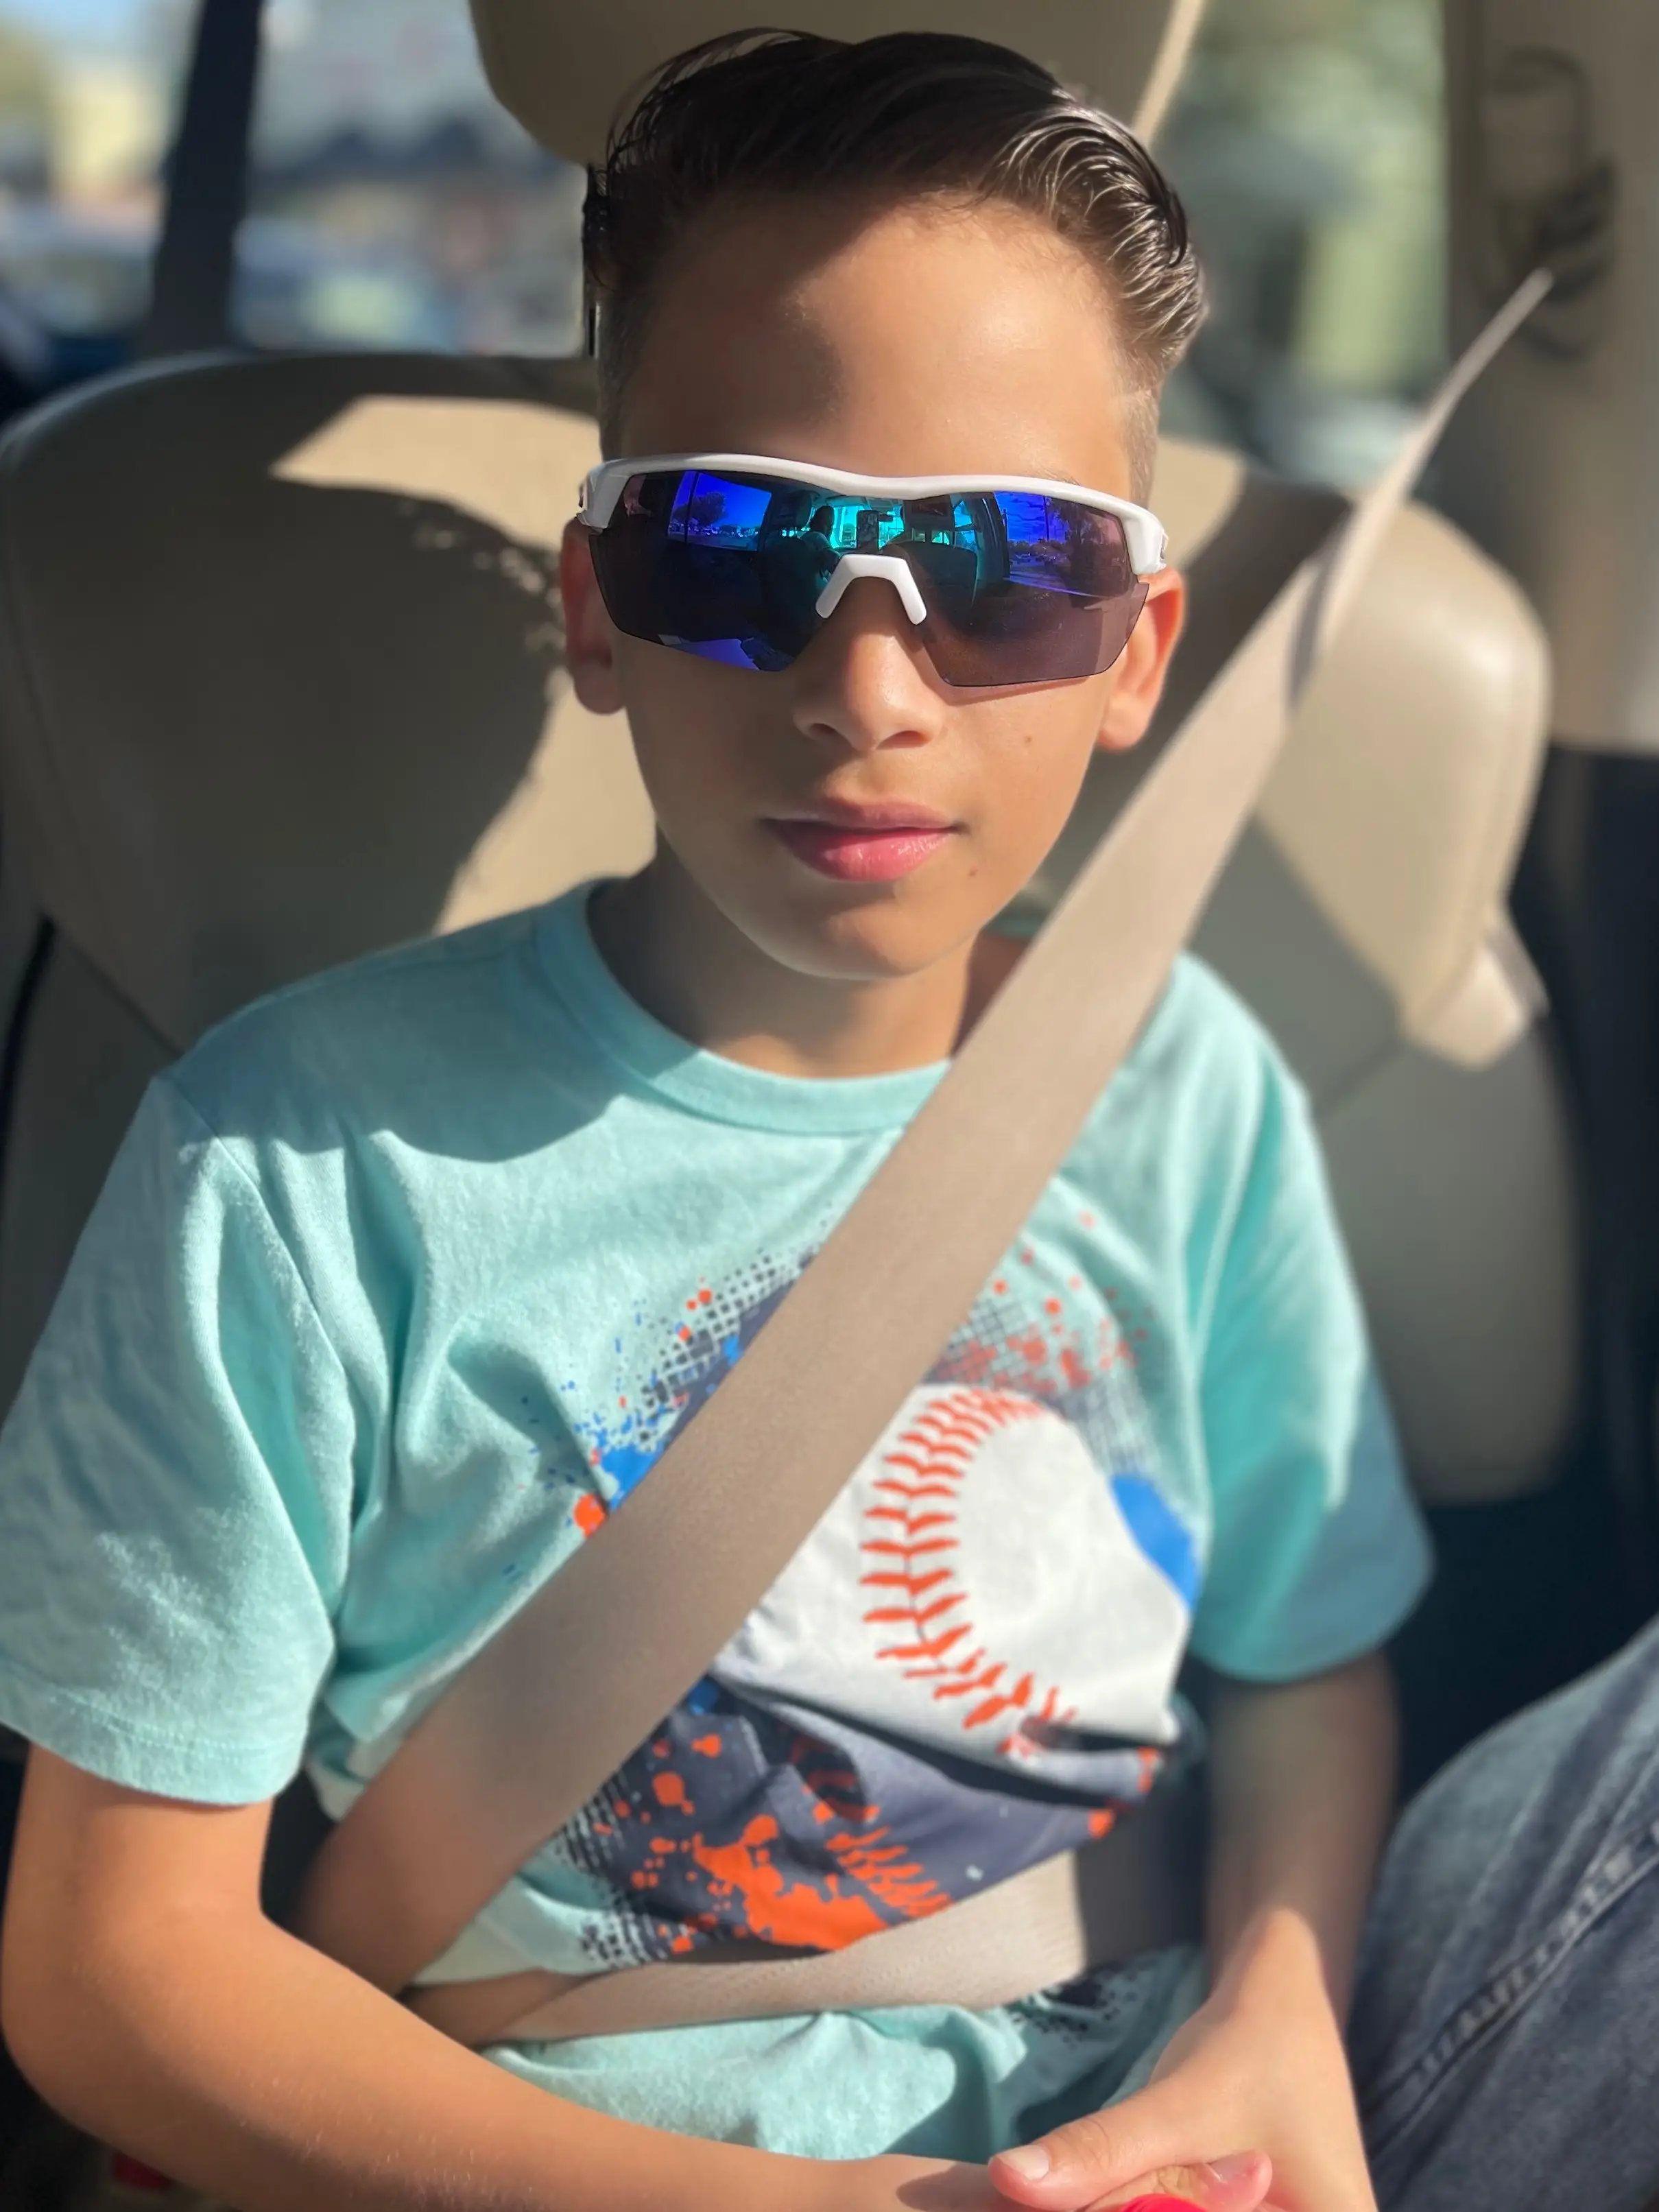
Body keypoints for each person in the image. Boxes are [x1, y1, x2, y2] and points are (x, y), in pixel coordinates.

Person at [0, 29, 1656, 2212]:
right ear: (601, 608)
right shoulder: (298, 1165)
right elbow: (117, 1966)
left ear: (1137, 649)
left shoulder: (1182, 1083)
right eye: (733, 551)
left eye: (1008, 574)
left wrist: (1272, 2021)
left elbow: (1301, 1671)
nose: (869, 691)